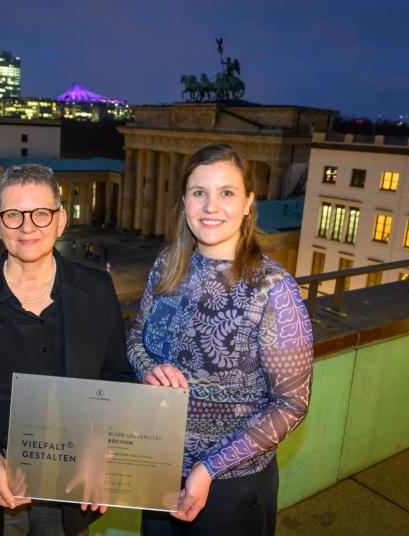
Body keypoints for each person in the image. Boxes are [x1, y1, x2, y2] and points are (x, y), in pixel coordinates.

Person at [0, 164, 134, 536]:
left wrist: (103, 447)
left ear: (61, 220)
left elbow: (116, 378)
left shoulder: (97, 290)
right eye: (13, 215)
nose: (27, 227)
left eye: (41, 213)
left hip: (70, 492)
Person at [127, 145, 313, 536]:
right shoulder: (166, 266)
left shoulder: (273, 289)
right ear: (184, 202)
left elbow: (293, 404)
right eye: (199, 193)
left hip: (233, 486)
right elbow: (134, 342)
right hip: (158, 469)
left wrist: (210, 467)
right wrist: (149, 370)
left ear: (248, 203)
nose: (211, 206)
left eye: (226, 193)